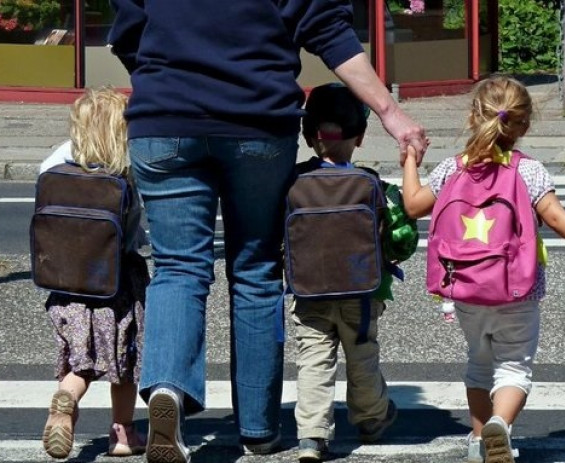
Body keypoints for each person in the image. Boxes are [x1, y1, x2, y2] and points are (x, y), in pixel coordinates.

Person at [107, 2, 428, 461]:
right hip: (255, 120)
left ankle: (168, 392)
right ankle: (257, 429)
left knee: (178, 267)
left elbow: (127, 31)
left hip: (164, 118)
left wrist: (167, 79)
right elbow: (329, 32)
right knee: (256, 266)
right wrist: (390, 113)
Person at [402, 75, 565, 463]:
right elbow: (558, 220)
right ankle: (500, 424)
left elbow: (412, 205)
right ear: (524, 125)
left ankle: (479, 445)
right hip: (517, 290)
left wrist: (410, 160)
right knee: (513, 366)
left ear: (473, 116)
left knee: (478, 363)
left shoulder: (452, 168)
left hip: (464, 287)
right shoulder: (528, 172)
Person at [289, 83, 417, 462]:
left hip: (308, 290)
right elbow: (399, 237)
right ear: (359, 138)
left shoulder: (293, 183)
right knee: (362, 356)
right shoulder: (370, 183)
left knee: (313, 359)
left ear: (309, 136)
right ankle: (372, 418)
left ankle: (311, 435)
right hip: (361, 294)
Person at [39, 87, 148, 459]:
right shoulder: (126, 172)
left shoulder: (54, 164)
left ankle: (66, 398)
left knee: (77, 356)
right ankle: (123, 434)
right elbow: (133, 233)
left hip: (64, 281)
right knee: (123, 361)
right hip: (114, 284)